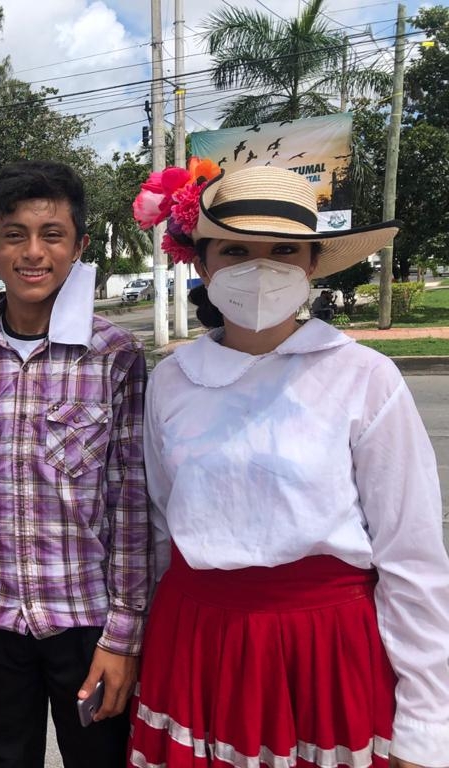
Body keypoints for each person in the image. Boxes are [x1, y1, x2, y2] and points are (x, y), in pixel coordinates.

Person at [129, 163, 449, 768]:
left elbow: (411, 557)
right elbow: (161, 528)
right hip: (197, 641)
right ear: (202, 263)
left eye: (283, 250)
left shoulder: (362, 377)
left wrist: (427, 723)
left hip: (324, 647)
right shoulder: (171, 380)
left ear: (311, 264)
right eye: (235, 249)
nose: (260, 269)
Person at [0, 160, 153, 767]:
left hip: (87, 620)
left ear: (79, 246)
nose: (33, 253)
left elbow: (130, 502)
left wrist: (126, 631)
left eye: (52, 235)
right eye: (14, 235)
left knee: (100, 758)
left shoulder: (115, 356)